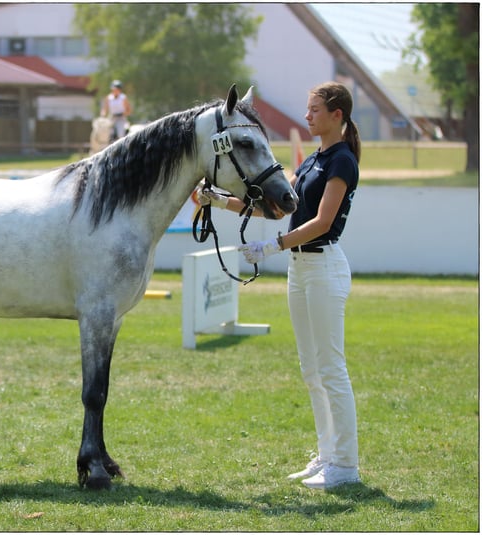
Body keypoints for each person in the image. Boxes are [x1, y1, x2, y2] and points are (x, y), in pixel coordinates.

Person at [199, 81, 361, 490]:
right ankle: (326, 455)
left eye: (314, 110)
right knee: (311, 370)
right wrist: (218, 200)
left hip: (324, 267)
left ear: (337, 115)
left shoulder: (342, 160)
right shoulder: (311, 161)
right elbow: (273, 207)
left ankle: (346, 465)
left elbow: (323, 222)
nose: (307, 116)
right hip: (301, 269)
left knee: (331, 369)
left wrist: (273, 246)